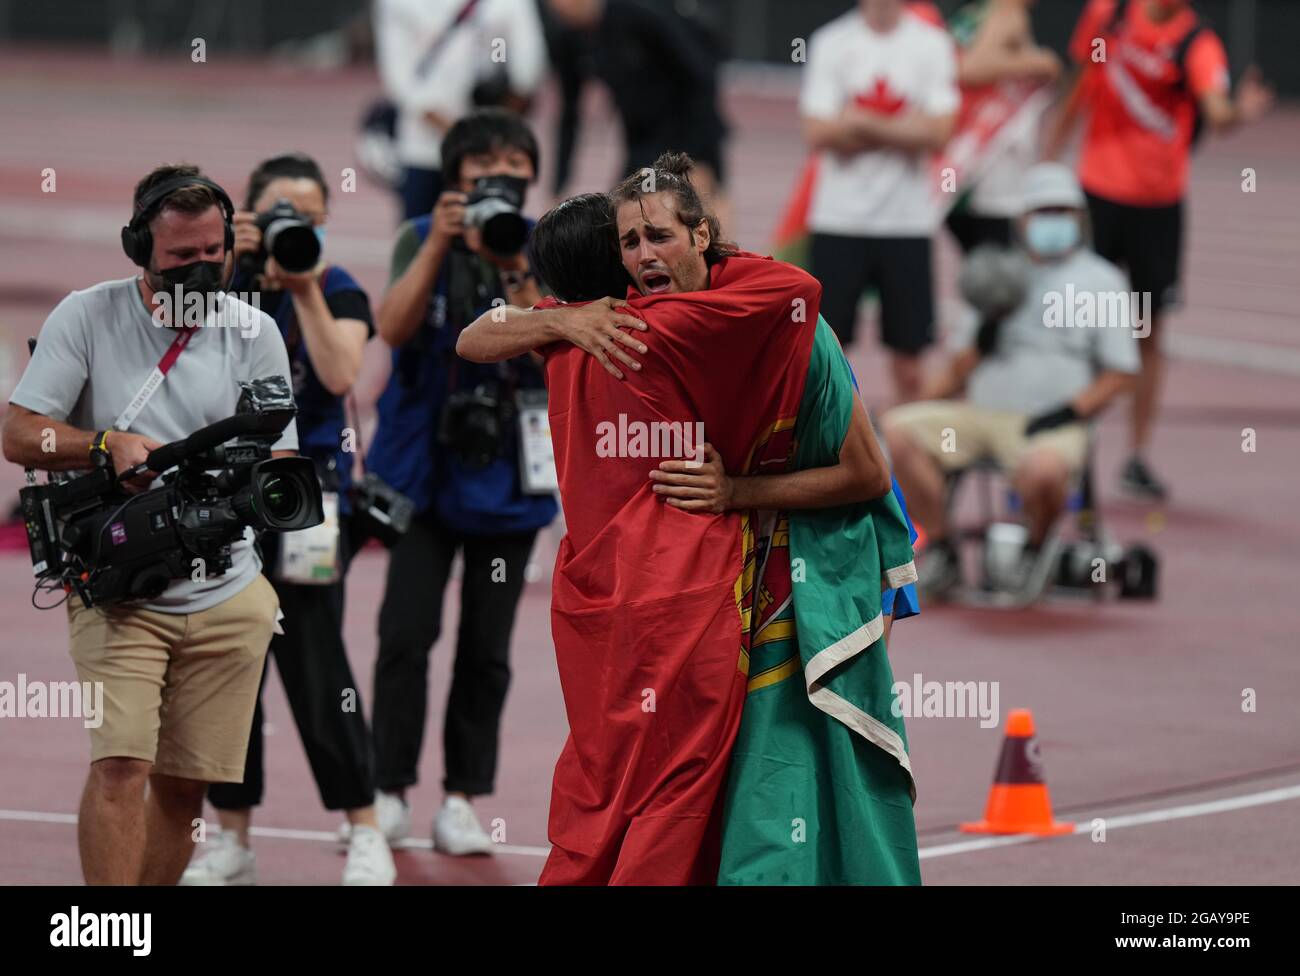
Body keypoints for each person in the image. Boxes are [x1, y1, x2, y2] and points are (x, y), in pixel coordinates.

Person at [459, 155, 921, 884]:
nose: (645, 255)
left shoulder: (789, 328)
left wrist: (736, 493)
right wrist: (572, 317)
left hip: (817, 570)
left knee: (783, 778)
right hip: (722, 580)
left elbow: (866, 476)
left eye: (660, 237)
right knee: (719, 795)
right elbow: (477, 336)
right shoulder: (629, 326)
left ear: (702, 235)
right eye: (629, 244)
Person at [1, 165, 294, 884]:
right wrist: (100, 446)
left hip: (228, 590)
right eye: (179, 259)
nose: (200, 272)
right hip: (120, 590)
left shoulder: (254, 331)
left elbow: (280, 451)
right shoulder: (86, 315)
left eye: (211, 254)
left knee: (184, 785)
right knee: (121, 765)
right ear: (139, 250)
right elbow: (17, 434)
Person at [179, 153, 394, 886]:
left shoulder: (337, 288)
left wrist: (301, 285)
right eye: (278, 212)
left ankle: (363, 824)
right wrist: (230, 267)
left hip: (311, 501)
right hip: (225, 498)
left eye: (308, 215)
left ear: (325, 223)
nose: (292, 225)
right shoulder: (215, 287)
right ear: (245, 217)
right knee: (231, 658)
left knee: (315, 654)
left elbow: (339, 374)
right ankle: (232, 834)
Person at [364, 108, 558, 855]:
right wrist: (444, 239)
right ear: (455, 179)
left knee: (488, 648)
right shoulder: (421, 234)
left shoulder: (545, 244)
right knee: (404, 634)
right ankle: (387, 791)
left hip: (509, 477)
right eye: (483, 171)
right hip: (425, 471)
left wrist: (515, 270)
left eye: (513, 169)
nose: (498, 182)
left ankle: (462, 800)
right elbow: (393, 327)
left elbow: (555, 349)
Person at [1045, 0, 1274, 499]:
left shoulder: (1198, 43)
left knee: (1146, 331)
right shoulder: (1110, 14)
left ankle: (1136, 457)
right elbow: (1082, 81)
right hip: (1097, 194)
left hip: (1156, 208)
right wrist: (1049, 156)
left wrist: (1239, 112)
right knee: (1076, 321)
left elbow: (1215, 108)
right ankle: (1060, 446)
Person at [882, 162, 1140, 599]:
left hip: (1052, 426)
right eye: (1042, 211)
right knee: (895, 431)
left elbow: (1120, 374)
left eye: (1062, 211)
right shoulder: (995, 273)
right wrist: (981, 342)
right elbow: (959, 368)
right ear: (1023, 219)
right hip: (982, 417)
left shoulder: (1104, 282)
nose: (1052, 221)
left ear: (1079, 218)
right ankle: (942, 546)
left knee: (1044, 470)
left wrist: (1068, 411)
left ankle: (1033, 548)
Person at [801, 0, 960, 403]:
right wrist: (906, 129)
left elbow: (939, 132)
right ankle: (833, 453)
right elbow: (819, 131)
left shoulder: (932, 44)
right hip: (838, 221)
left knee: (910, 363)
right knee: (824, 355)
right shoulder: (831, 42)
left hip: (906, 224)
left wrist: (858, 121)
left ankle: (904, 452)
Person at [546, 0, 732, 225]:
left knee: (700, 217)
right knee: (620, 214)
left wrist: (698, 156)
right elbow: (570, 116)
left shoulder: (640, 14)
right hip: (641, 137)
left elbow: (700, 76)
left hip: (689, 129)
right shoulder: (569, 39)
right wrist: (557, 186)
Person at [374, 0, 548, 221]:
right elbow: (400, 80)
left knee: (491, 239)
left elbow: (528, 71)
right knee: (428, 237)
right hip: (439, 148)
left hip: (477, 150)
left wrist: (476, 135)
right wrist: (481, 134)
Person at [945, 0, 1062, 252]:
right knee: (999, 268)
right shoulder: (1009, 13)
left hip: (963, 161)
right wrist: (1040, 63)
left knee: (981, 263)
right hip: (988, 170)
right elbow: (968, 68)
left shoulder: (975, 12)